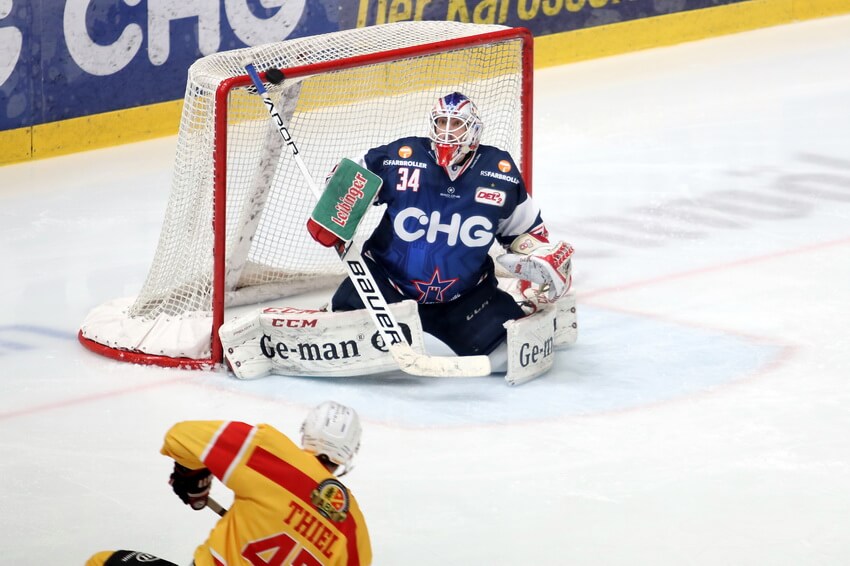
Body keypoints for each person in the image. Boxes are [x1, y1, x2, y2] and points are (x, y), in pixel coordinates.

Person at [313, 92, 573, 362]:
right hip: (384, 287)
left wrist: (539, 257)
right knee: (339, 338)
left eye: (456, 124)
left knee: (509, 356)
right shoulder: (402, 157)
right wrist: (336, 201)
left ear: (474, 130)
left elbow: (525, 231)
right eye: (441, 122)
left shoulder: (500, 172)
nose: (447, 131)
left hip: (464, 299)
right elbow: (349, 177)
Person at [86, 401, 372, 566]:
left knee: (102, 562)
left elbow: (179, 437)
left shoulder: (270, 453)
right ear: (351, 452)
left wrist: (192, 476)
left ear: (306, 431)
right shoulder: (353, 525)